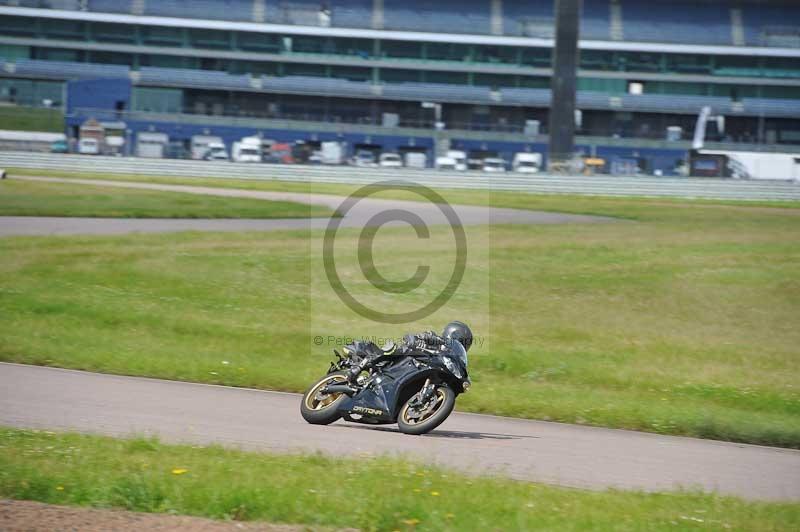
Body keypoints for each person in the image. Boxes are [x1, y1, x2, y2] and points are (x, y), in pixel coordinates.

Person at [347, 321, 472, 382]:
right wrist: (420, 340)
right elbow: (422, 336)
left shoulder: (450, 357)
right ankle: (360, 366)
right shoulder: (437, 340)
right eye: (462, 341)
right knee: (393, 349)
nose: (462, 345)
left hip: (420, 371)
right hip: (408, 358)